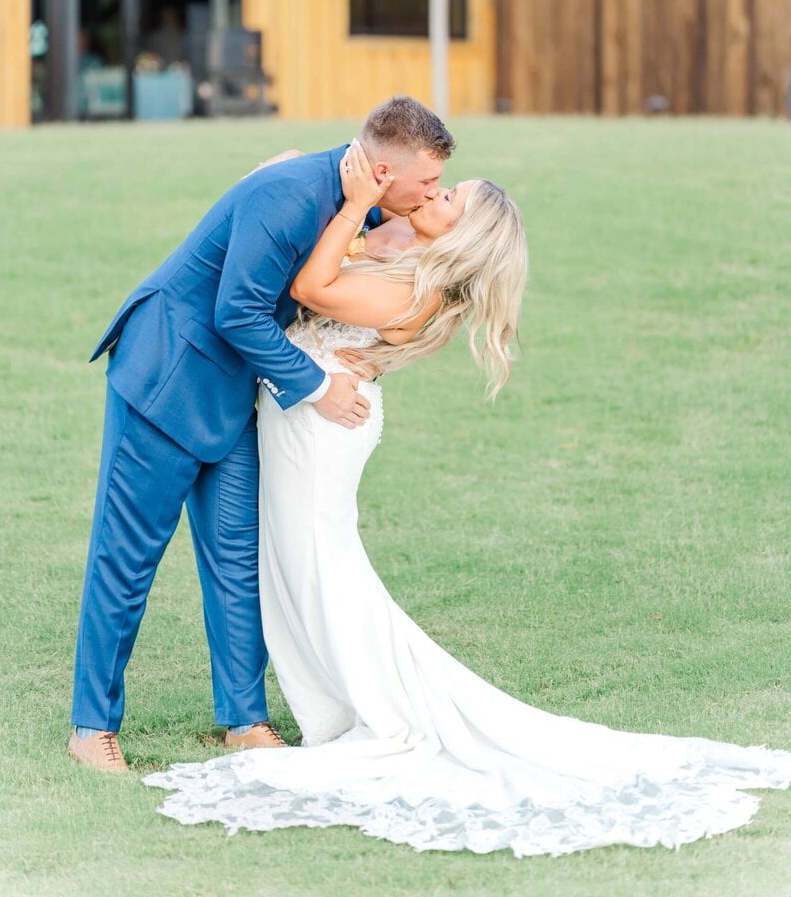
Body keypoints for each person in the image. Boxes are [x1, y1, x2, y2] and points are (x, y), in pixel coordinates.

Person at [145, 143, 791, 856]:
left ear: (464, 233)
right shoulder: (409, 262)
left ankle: (377, 709)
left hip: (326, 430)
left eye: (451, 199)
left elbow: (311, 289)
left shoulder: (415, 290)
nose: (436, 196)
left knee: (317, 564)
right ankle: (330, 700)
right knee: (301, 564)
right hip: (310, 417)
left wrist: (355, 203)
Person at [69, 97, 455, 772]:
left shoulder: (358, 204)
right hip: (167, 375)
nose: (432, 193)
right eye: (426, 182)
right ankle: (91, 727)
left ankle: (244, 720)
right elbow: (238, 313)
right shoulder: (288, 194)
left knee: (237, 558)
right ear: (384, 169)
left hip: (234, 396)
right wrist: (317, 386)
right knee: (127, 558)